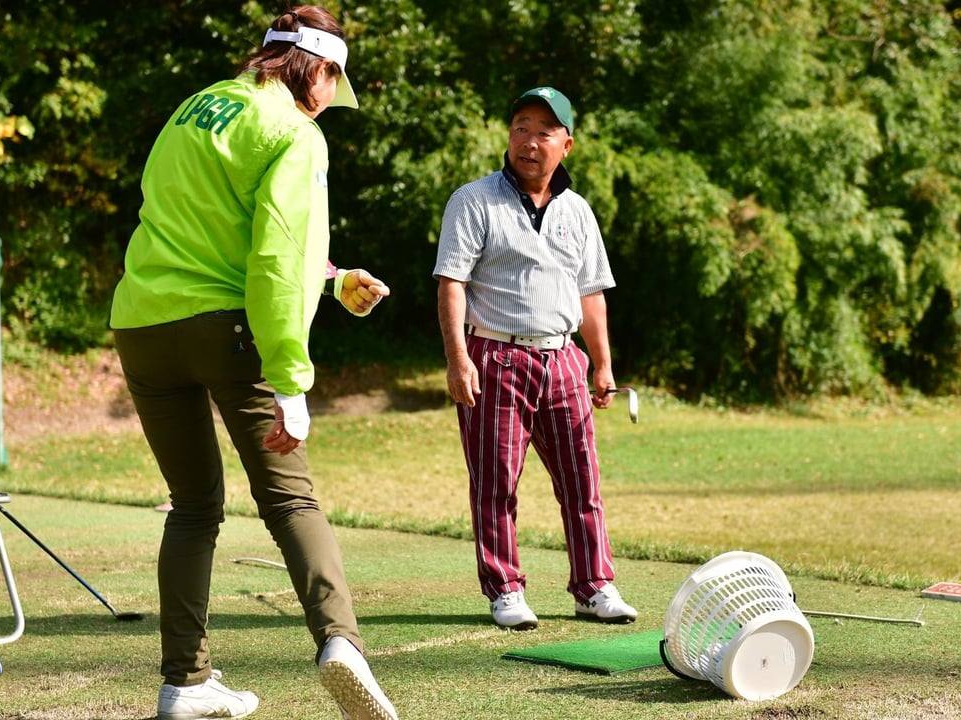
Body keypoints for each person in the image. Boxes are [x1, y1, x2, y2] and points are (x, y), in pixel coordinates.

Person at [109, 7, 397, 720]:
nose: (332, 97)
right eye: (335, 81)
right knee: (290, 499)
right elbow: (272, 262)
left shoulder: (193, 109)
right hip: (227, 330)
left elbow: (218, 227)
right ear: (318, 70)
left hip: (141, 323)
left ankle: (185, 682)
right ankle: (342, 642)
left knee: (194, 506)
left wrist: (332, 279)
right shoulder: (297, 134)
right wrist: (292, 381)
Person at [433, 86, 638, 632]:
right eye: (521, 126)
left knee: (582, 481)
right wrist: (458, 358)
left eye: (544, 131)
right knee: (496, 482)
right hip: (494, 357)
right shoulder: (473, 200)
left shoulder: (578, 211)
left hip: (563, 359)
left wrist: (603, 364)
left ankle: (594, 587)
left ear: (565, 145)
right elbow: (451, 282)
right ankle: (505, 589)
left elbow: (590, 293)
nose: (529, 140)